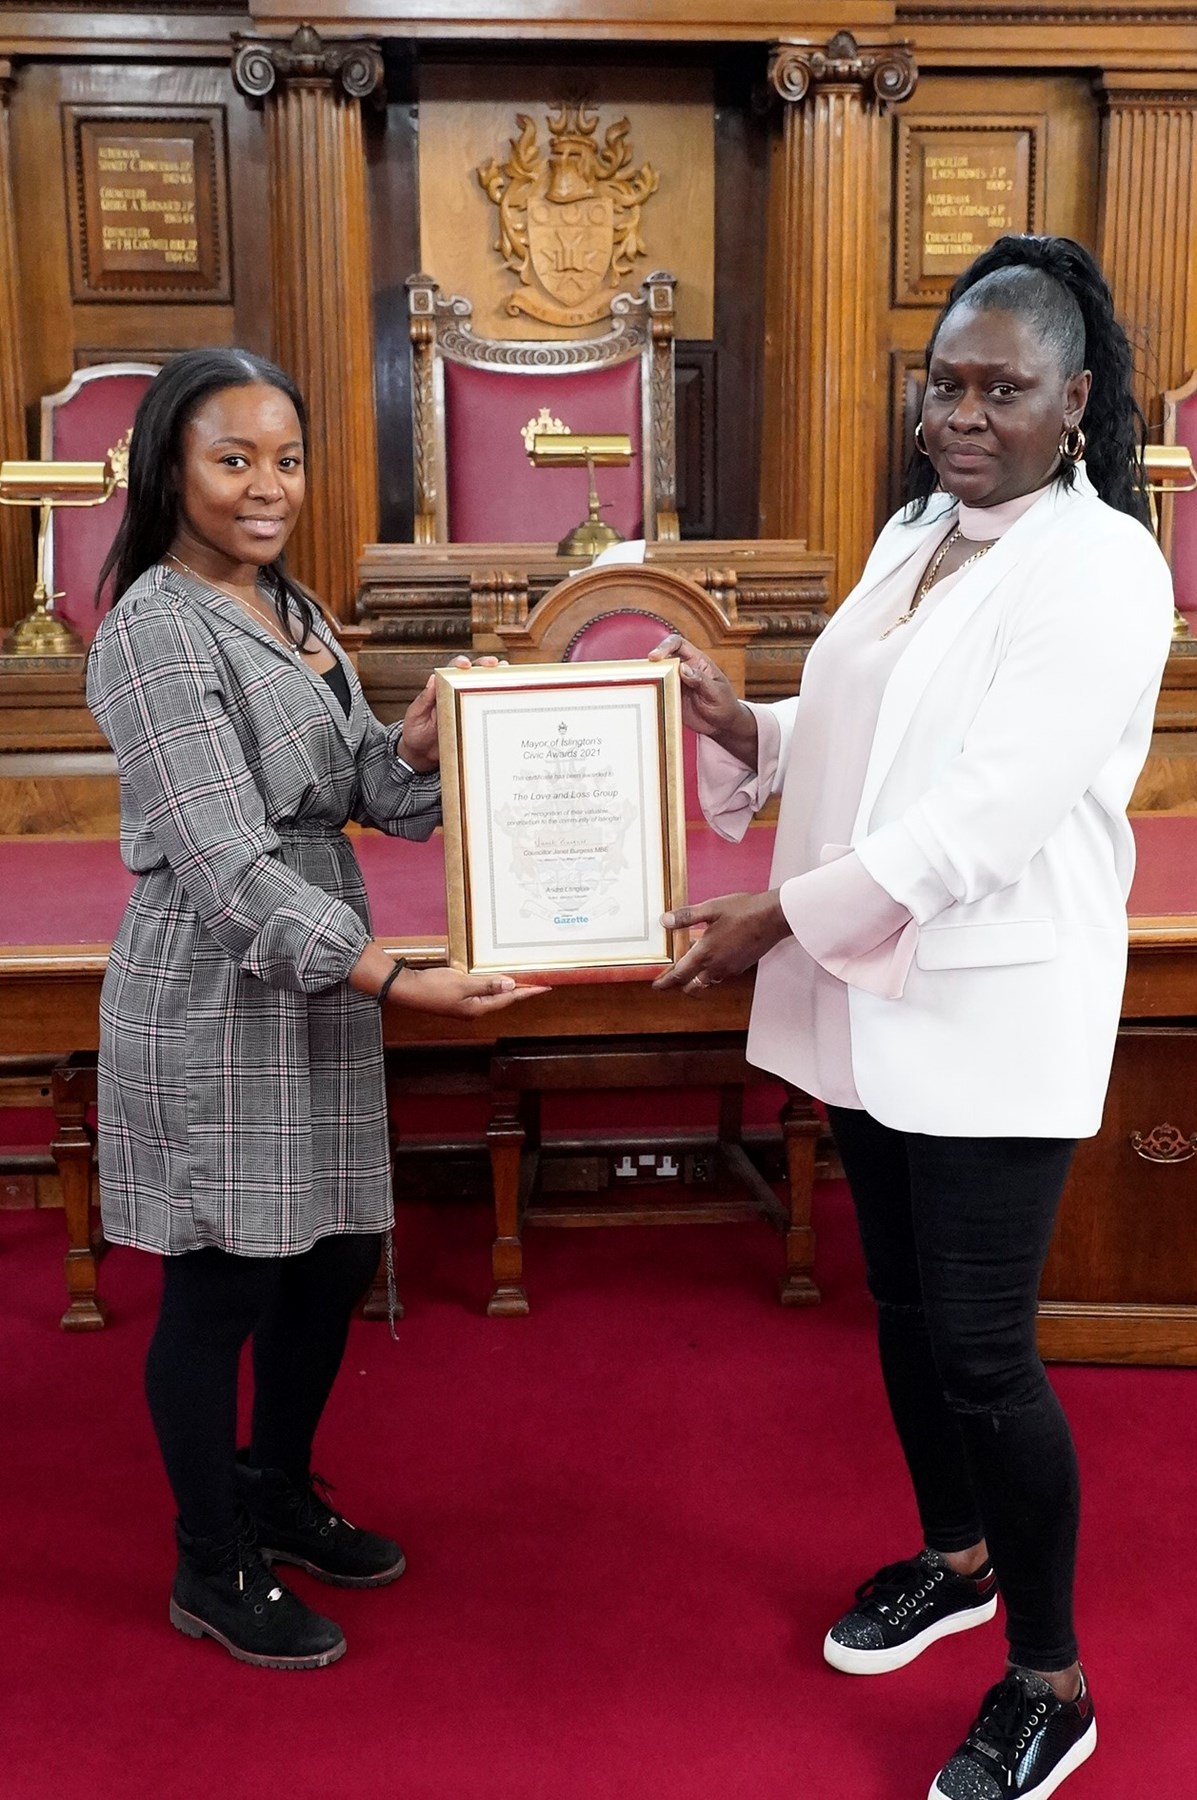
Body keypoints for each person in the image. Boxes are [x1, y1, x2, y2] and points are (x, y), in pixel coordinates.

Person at [652, 236, 1173, 1798]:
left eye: (1000, 388)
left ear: (1073, 401)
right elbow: (876, 717)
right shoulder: (917, 530)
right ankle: (956, 1564)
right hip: (871, 997)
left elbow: (980, 816)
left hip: (988, 1012)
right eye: (943, 383)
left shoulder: (1099, 568)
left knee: (983, 1359)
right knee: (899, 1313)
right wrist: (755, 726)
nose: (961, 412)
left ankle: (1051, 1681)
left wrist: (770, 918)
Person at [87, 347, 546, 1672]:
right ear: (167, 467)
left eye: (285, 459)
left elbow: (363, 795)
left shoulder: (289, 607)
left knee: (333, 1251)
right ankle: (207, 1558)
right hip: (217, 979)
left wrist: (430, 742)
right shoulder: (151, 628)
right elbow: (227, 867)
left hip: (317, 978)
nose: (267, 485)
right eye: (234, 460)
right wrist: (400, 978)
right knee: (225, 1275)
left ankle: (275, 1489)